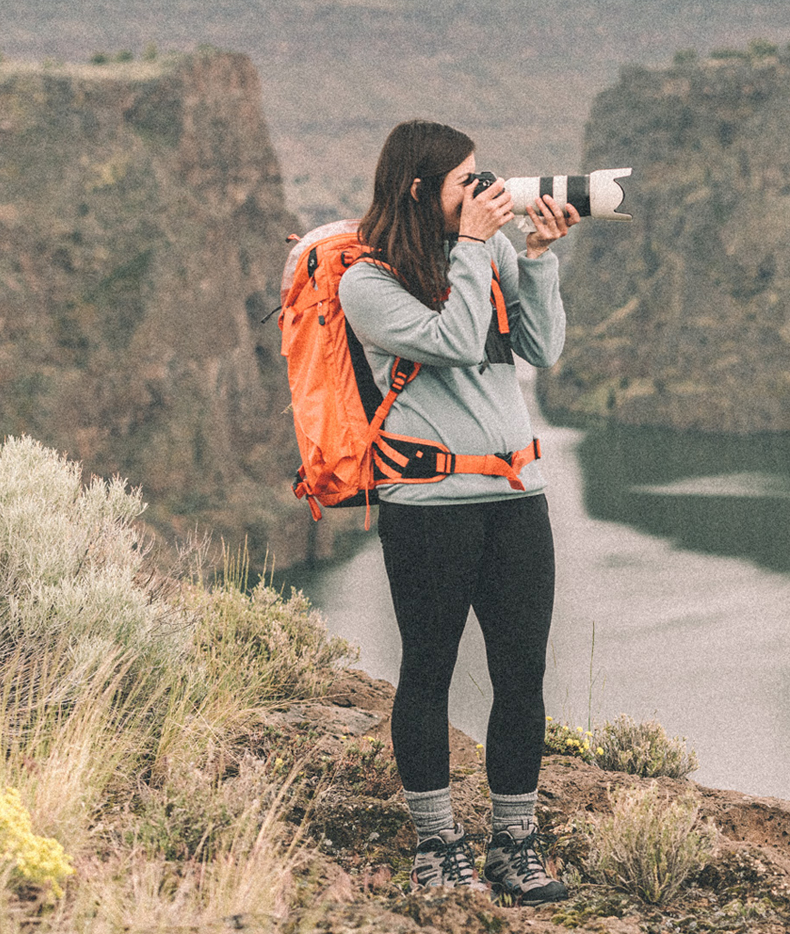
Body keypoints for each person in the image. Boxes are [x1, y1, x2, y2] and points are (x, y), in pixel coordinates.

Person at [338, 119, 579, 903]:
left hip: (513, 499)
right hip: (429, 506)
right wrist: (478, 250)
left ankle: (515, 844)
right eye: (463, 182)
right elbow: (451, 338)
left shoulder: (492, 249)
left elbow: (540, 351)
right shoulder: (365, 283)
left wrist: (534, 259)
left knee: (522, 676)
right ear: (417, 188)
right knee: (429, 671)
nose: (483, 192)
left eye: (483, 177)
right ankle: (438, 846)